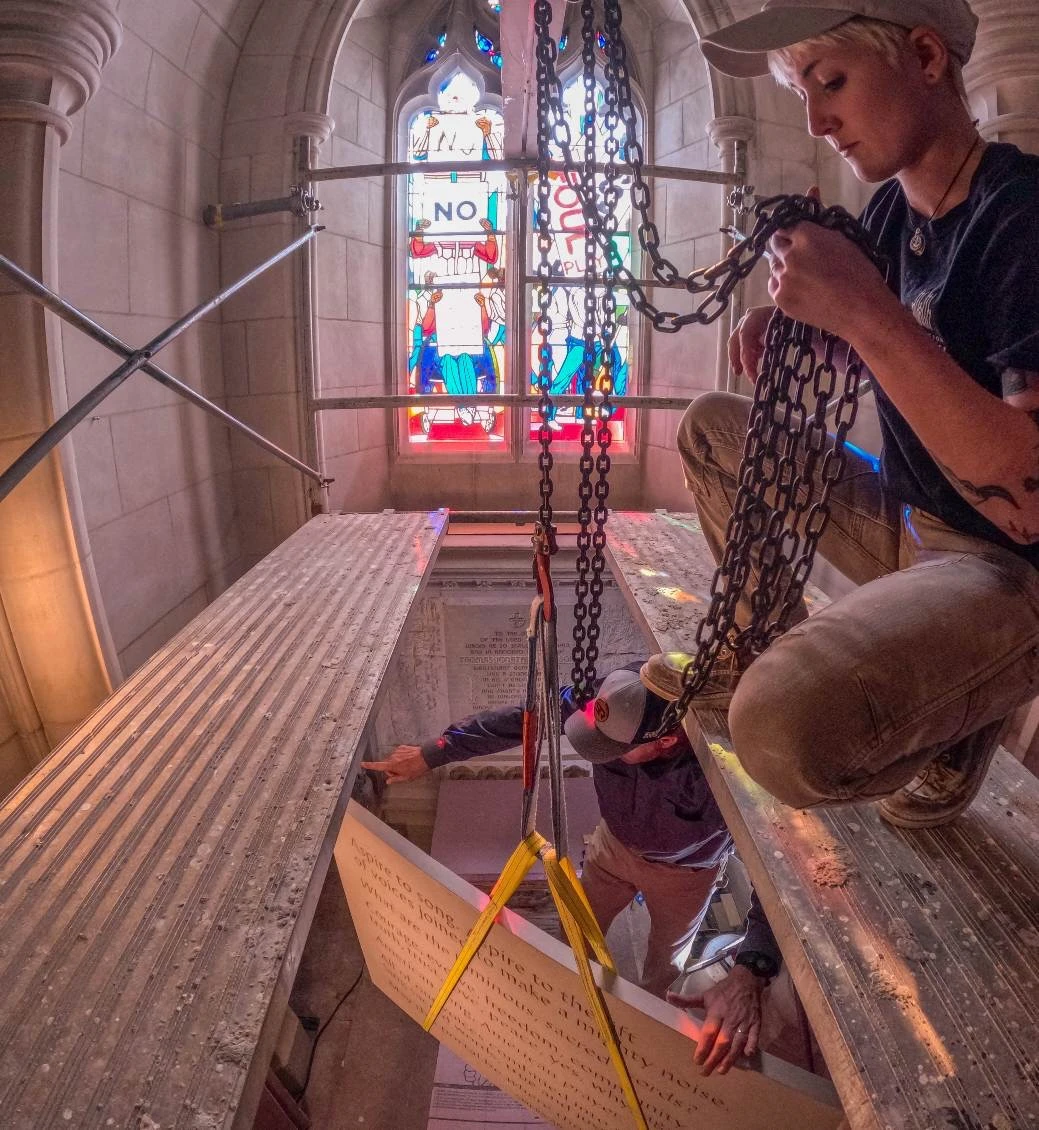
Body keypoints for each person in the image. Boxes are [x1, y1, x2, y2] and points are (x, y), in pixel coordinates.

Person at [649, 0, 1039, 829]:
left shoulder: (1021, 216)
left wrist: (863, 312)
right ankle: (757, 641)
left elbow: (1028, 496)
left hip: (1007, 573)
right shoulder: (895, 214)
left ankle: (950, 709)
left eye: (830, 82)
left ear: (926, 57)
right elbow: (923, 361)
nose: (819, 121)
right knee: (714, 427)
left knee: (781, 728)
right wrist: (823, 337)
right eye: (801, 94)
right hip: (914, 525)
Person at [362, 662, 782, 1075]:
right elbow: (521, 719)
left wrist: (753, 964)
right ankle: (570, 1011)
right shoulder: (617, 698)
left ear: (666, 741)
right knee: (576, 933)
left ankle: (644, 1031)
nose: (597, 747)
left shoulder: (727, 766)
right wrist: (434, 753)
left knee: (665, 963)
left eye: (615, 751)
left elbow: (780, 868)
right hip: (612, 848)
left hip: (687, 875)